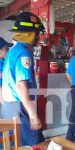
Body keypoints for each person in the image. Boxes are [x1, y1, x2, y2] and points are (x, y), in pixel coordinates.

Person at [1, 12, 45, 146]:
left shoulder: (13, 51)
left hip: (9, 106)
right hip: (20, 107)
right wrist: (33, 115)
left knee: (13, 144)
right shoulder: (24, 52)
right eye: (37, 33)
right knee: (34, 145)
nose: (39, 37)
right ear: (30, 34)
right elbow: (21, 85)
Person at [0, 37, 13, 104]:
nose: (8, 51)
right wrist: (4, 105)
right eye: (6, 49)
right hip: (6, 101)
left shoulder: (4, 61)